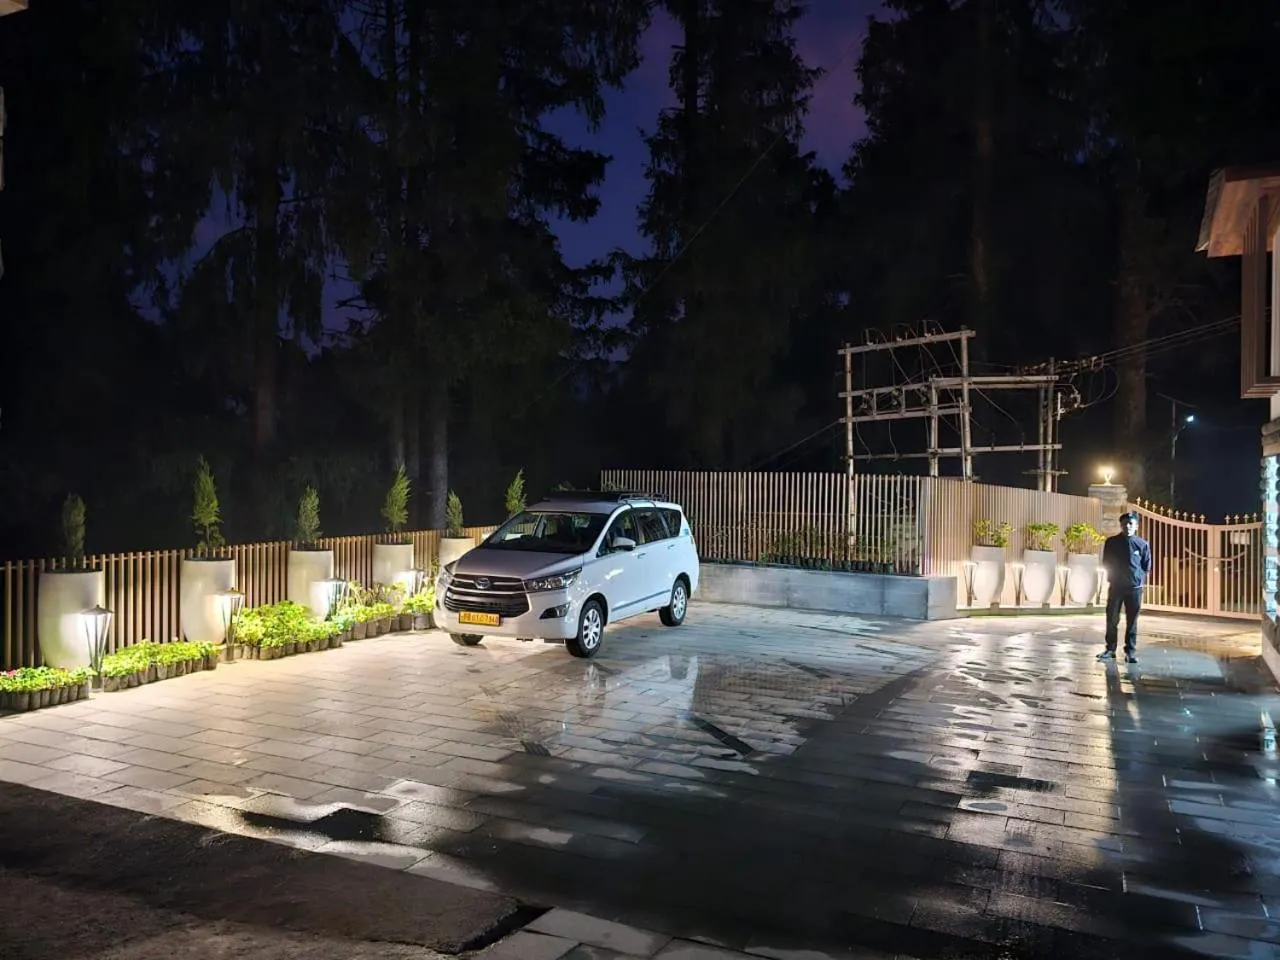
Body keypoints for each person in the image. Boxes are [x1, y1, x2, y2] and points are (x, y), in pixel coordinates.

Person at [1097, 511, 1152, 663]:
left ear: (1136, 526)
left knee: (1132, 621)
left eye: (1131, 523)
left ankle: (1130, 652)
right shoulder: (1112, 542)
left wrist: (1137, 578)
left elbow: (1146, 566)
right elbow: (1106, 562)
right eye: (1125, 523)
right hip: (1116, 587)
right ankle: (1110, 649)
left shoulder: (1142, 544)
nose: (1127, 526)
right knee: (1112, 618)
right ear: (1120, 525)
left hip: (1134, 588)